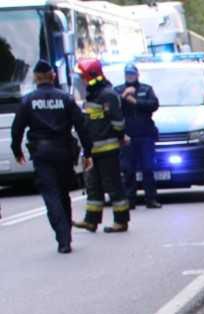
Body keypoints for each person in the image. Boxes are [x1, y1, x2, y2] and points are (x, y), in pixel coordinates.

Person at [9, 60, 92, 253]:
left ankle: (62, 238)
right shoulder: (65, 98)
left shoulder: (28, 100)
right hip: (64, 152)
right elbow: (82, 126)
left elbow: (17, 129)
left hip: (42, 154)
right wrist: (87, 152)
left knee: (51, 195)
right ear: (53, 75)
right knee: (63, 194)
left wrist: (17, 151)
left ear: (36, 78)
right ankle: (67, 236)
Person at [71, 58, 129, 234]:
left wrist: (119, 137)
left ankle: (121, 221)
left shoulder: (107, 94)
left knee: (113, 184)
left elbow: (118, 122)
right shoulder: (93, 94)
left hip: (107, 148)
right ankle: (91, 220)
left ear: (92, 75)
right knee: (93, 185)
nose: (81, 80)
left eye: (83, 76)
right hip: (93, 149)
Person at [115, 63, 161, 209]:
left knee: (148, 168)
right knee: (128, 169)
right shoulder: (118, 90)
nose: (130, 76)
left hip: (145, 135)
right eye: (127, 74)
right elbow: (114, 107)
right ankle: (130, 200)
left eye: (132, 74)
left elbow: (154, 104)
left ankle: (151, 199)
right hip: (127, 136)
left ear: (137, 75)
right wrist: (124, 97)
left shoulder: (146, 89)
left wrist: (135, 102)